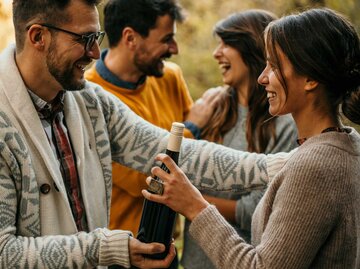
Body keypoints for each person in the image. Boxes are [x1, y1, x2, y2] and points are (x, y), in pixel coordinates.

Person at [0, 0, 292, 267]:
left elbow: (176, 155)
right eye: (84, 39)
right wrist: (109, 247)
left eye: (96, 39)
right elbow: (4, 252)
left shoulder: (91, 103)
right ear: (38, 36)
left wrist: (283, 165)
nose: (94, 53)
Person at [144, 8, 360, 268]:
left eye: (275, 66)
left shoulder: (314, 166)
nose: (262, 77)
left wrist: (194, 205)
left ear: (311, 79)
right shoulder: (348, 145)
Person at [85, 0, 216, 239]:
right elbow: (145, 180)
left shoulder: (170, 77)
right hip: (121, 250)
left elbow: (195, 161)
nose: (174, 49)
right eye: (166, 39)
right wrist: (192, 127)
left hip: (166, 243)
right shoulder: (90, 97)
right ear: (130, 37)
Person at [181, 10, 298, 269]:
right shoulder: (213, 107)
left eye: (226, 43)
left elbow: (255, 209)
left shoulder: (284, 123)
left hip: (238, 259)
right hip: (193, 261)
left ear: (251, 48)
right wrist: (194, 126)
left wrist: (188, 200)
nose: (216, 53)